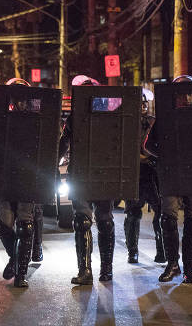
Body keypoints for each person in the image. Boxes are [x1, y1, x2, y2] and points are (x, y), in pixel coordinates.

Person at [0, 78, 43, 288]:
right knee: (3, 225)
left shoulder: (37, 119)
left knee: (25, 224)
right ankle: (16, 258)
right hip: (4, 177)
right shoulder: (0, 117)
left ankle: (21, 274)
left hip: (27, 176)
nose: (20, 102)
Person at [62, 75, 115, 285]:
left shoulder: (112, 117)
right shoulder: (74, 119)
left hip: (103, 174)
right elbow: (63, 145)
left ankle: (106, 270)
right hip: (81, 175)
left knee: (105, 221)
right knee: (83, 221)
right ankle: (85, 270)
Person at [152, 75, 192, 284]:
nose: (184, 97)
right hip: (172, 173)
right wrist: (166, 156)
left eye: (187, 93)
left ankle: (189, 270)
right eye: (181, 94)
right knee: (168, 218)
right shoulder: (165, 117)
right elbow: (148, 144)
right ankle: (173, 264)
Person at [123, 89, 165, 264]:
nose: (143, 106)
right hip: (135, 174)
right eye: (140, 104)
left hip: (153, 174)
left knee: (161, 213)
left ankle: (161, 250)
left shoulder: (154, 122)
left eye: (144, 103)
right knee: (133, 214)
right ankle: (132, 252)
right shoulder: (127, 123)